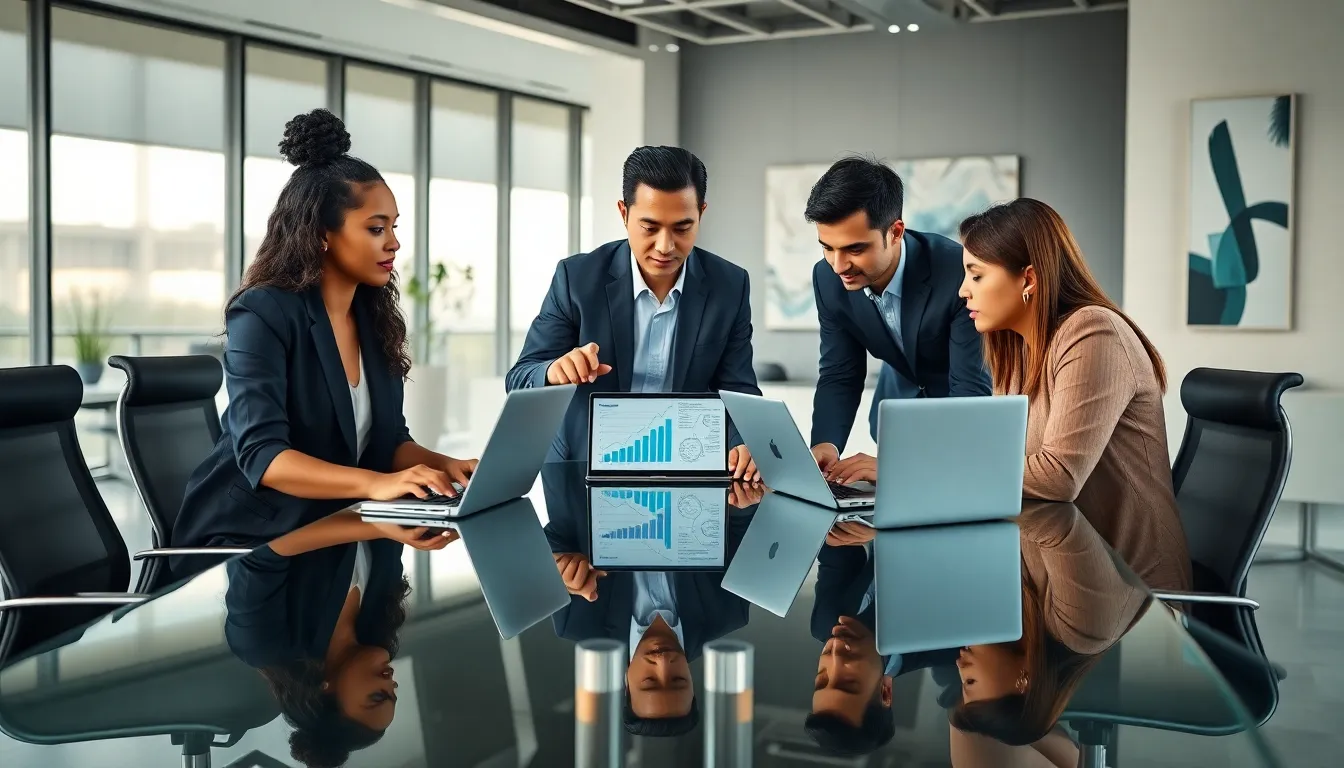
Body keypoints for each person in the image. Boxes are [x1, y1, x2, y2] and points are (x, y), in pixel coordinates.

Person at [172, 108, 478, 570]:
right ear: (321, 235)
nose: (393, 242)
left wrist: (442, 467)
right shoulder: (262, 312)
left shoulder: (372, 316)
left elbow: (387, 440)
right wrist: (376, 486)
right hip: (251, 542)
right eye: (376, 229)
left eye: (394, 227)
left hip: (336, 525)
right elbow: (265, 457)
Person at [954, 198, 1191, 579]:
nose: (963, 291)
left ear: (1028, 278)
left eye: (976, 275)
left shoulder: (1094, 332)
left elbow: (1057, 476)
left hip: (1130, 590)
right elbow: (1000, 461)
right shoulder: (1019, 353)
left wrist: (919, 476)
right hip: (1070, 565)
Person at [505, 146, 763, 480]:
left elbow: (739, 392)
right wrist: (554, 370)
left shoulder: (730, 284)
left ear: (701, 213)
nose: (665, 246)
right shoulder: (577, 279)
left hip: (688, 470)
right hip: (581, 470)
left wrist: (746, 443)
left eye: (683, 228)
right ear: (623, 213)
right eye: (650, 227)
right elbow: (519, 379)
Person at [804, 156, 991, 482]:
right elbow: (839, 372)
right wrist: (825, 443)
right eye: (827, 248)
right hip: (894, 418)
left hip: (960, 423)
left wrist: (902, 465)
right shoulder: (827, 279)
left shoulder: (956, 272)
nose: (839, 265)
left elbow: (970, 391)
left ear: (895, 232)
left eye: (855, 249)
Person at [539, 462, 758, 736]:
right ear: (692, 682)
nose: (663, 664)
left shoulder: (577, 623)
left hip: (582, 460)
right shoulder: (729, 611)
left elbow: (556, 532)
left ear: (626, 684)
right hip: (685, 456)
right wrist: (741, 499)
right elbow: (741, 523)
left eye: (650, 681)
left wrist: (557, 562)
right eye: (677, 679)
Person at [225, 512, 456, 768]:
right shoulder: (377, 618)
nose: (391, 682)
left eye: (378, 696)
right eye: (393, 692)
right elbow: (389, 512)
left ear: (325, 691)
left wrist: (376, 528)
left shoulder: (263, 643)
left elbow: (257, 549)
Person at [806, 535, 959, 756]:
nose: (835, 653)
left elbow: (837, 551)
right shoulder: (947, 642)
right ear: (885, 692)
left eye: (822, 677)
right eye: (849, 681)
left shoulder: (825, 623)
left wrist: (848, 530)